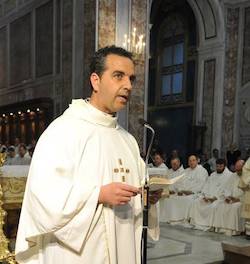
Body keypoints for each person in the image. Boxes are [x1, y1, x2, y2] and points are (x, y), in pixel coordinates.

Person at [15, 46, 161, 264]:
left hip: (124, 244)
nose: (128, 86)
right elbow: (44, 197)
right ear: (95, 81)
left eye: (131, 78)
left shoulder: (127, 140)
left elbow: (138, 187)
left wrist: (146, 197)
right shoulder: (63, 131)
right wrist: (98, 195)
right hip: (80, 253)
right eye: (118, 76)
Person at [189, 159, 232, 231]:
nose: (218, 168)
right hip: (208, 197)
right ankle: (197, 223)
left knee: (213, 206)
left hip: (218, 199)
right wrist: (205, 196)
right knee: (196, 202)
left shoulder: (229, 176)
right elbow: (206, 186)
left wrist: (215, 198)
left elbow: (227, 191)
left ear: (224, 166)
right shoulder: (212, 175)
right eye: (217, 166)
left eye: (220, 166)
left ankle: (209, 225)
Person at [213, 160, 245, 235]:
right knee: (221, 205)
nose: (237, 171)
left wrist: (238, 199)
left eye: (239, 169)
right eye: (236, 169)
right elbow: (227, 188)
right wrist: (228, 197)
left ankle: (233, 230)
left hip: (241, 201)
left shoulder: (247, 177)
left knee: (234, 207)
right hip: (231, 199)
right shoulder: (233, 176)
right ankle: (222, 228)